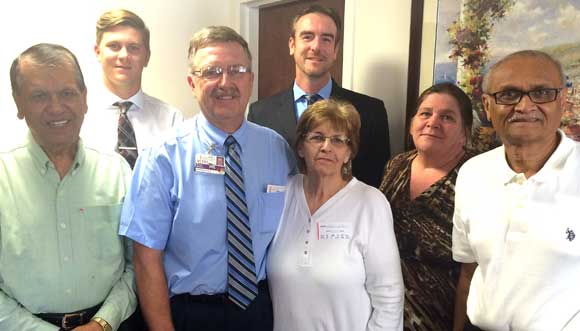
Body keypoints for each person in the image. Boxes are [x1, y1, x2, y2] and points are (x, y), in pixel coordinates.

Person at [119, 26, 295, 331]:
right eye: (211, 71)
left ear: (250, 80)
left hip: (261, 310)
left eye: (236, 70)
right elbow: (146, 260)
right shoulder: (163, 156)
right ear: (192, 82)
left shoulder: (277, 149)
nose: (225, 82)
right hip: (191, 314)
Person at [0, 43, 136, 331]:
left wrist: (103, 322)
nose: (56, 107)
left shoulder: (117, 171)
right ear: (18, 104)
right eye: (39, 96)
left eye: (67, 93)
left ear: (84, 98)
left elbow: (137, 266)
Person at [452, 50, 580, 330]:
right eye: (508, 94)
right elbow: (469, 270)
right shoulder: (472, 173)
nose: (524, 106)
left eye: (541, 92)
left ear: (563, 100)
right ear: (487, 106)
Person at [267, 99, 404, 331]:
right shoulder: (283, 193)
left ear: (349, 152)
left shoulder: (370, 203)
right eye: (317, 137)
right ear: (300, 147)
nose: (326, 147)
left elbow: (389, 296)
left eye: (339, 140)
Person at [248, 4, 390, 188]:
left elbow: (375, 183)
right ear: (292, 45)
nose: (316, 46)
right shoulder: (260, 113)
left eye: (326, 39)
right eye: (307, 37)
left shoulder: (370, 112)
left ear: (335, 50)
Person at [379, 83, 478, 331]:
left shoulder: (475, 177)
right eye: (426, 113)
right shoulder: (396, 165)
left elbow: (474, 271)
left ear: (464, 132)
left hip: (440, 319)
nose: (433, 122)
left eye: (447, 117)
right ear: (413, 122)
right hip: (381, 313)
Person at [82, 8, 183, 168]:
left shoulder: (171, 120)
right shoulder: (78, 115)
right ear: (98, 52)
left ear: (147, 57)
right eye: (114, 46)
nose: (123, 56)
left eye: (134, 48)